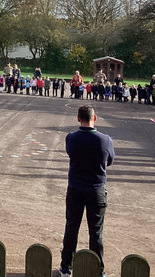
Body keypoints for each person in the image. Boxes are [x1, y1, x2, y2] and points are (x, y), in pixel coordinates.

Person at [59, 105, 114, 277]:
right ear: (94, 118)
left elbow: (70, 154)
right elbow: (110, 160)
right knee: (96, 231)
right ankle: (98, 270)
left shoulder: (72, 138)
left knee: (71, 227)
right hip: (96, 188)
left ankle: (66, 266)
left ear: (78, 118)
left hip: (76, 187)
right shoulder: (105, 140)